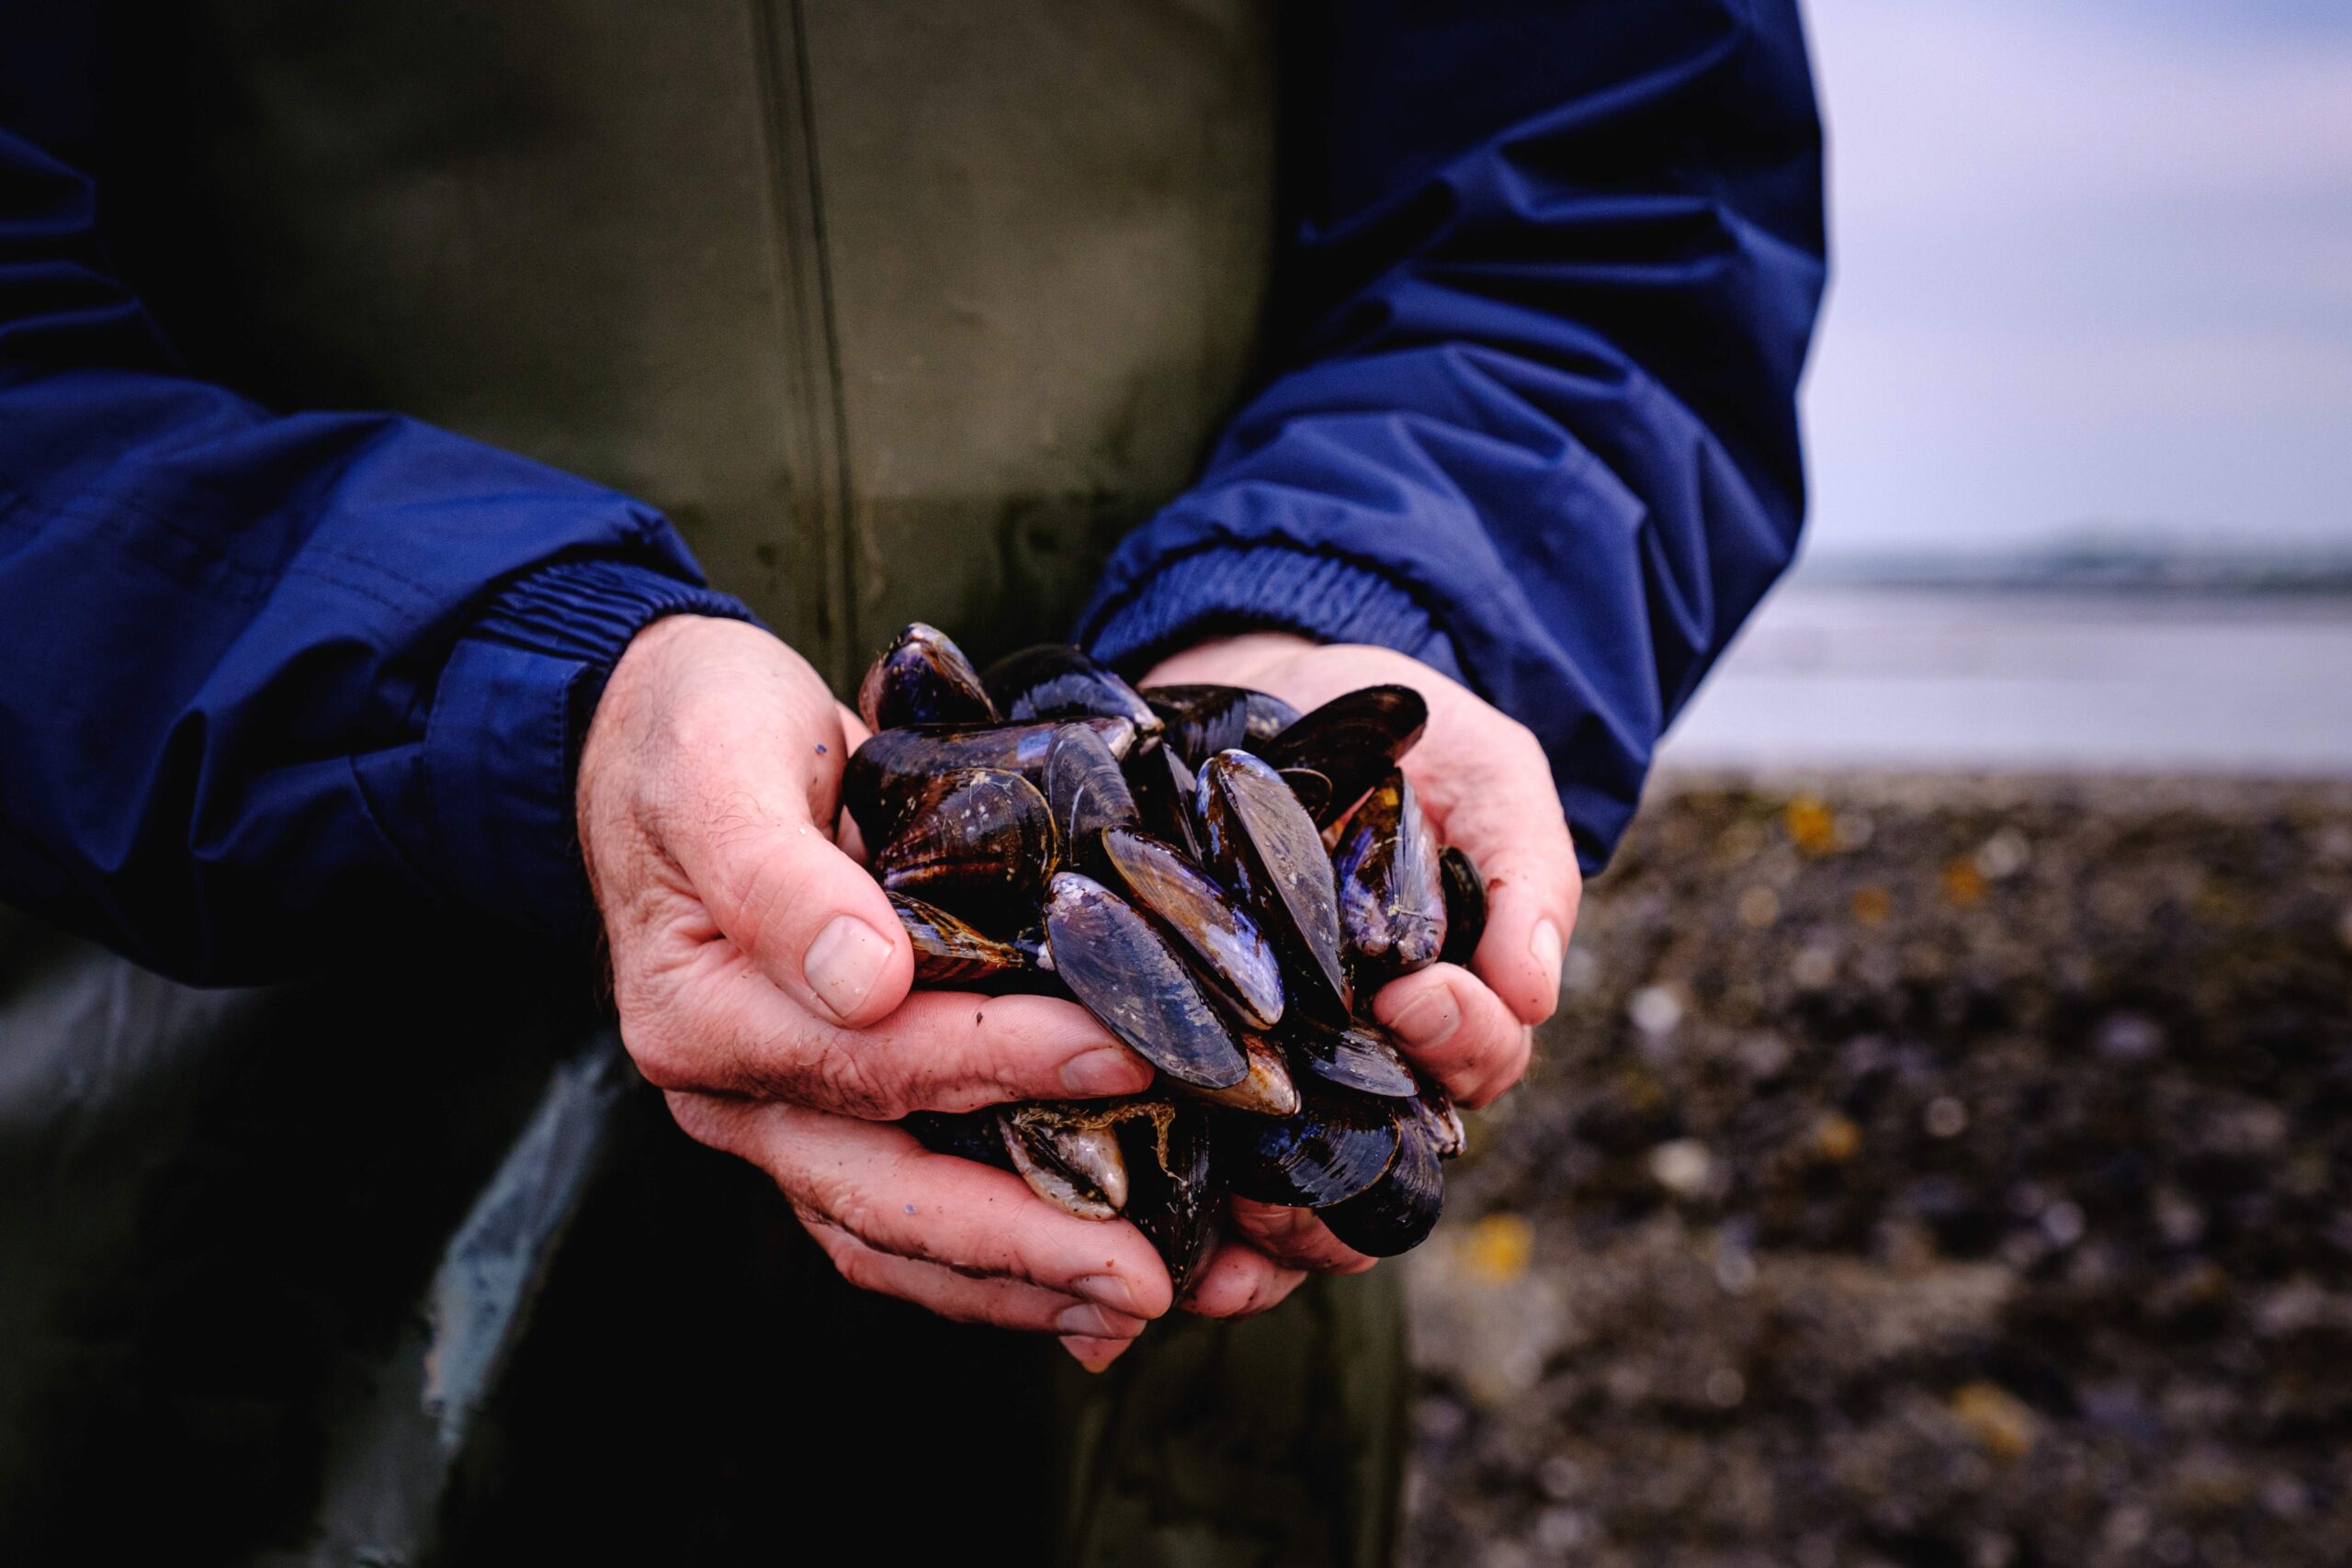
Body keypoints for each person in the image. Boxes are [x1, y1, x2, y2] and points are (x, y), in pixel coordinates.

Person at [0, 2, 1822, 1561]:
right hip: (214, 1242)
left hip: (1157, 1310)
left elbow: (1606, 204)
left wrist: (1355, 598)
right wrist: (496, 693)